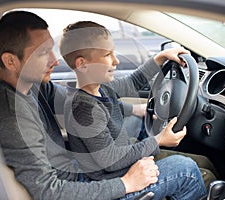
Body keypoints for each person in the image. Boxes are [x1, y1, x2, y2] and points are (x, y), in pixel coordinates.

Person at [0, 10, 170, 200]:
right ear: (10, 61)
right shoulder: (11, 116)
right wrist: (126, 183)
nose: (55, 61)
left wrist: (133, 108)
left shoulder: (32, 86)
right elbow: (49, 192)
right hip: (75, 185)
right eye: (42, 53)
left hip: (79, 170)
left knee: (137, 131)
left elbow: (88, 99)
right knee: (184, 170)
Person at [59, 21, 212, 199]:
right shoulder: (83, 108)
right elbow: (110, 160)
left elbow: (133, 81)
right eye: (108, 55)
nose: (116, 61)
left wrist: (161, 57)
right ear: (83, 65)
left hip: (122, 166)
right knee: (188, 170)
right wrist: (159, 140)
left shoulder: (102, 89)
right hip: (114, 182)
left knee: (204, 162)